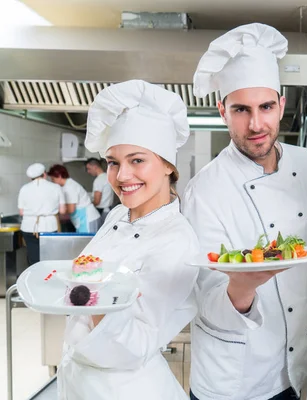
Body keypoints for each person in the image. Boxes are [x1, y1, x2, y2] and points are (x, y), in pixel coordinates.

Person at [182, 23, 307, 400]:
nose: (256, 124)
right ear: (222, 110)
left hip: (300, 362)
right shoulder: (205, 189)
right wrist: (244, 286)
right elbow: (204, 300)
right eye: (241, 110)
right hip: (236, 377)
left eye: (266, 107)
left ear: (282, 105)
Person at [57, 79, 200, 399]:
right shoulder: (119, 215)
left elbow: (132, 345)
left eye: (137, 160)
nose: (122, 176)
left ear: (167, 165)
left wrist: (91, 290)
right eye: (113, 163)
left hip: (125, 388)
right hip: (81, 382)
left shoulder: (177, 240)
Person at [17, 163, 66, 265]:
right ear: (44, 174)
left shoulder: (24, 188)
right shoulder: (56, 187)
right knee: (49, 258)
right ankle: (47, 279)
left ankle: (33, 279)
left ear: (31, 178)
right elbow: (62, 211)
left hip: (29, 227)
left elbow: (21, 212)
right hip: (49, 226)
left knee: (33, 257)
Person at [47, 164, 101, 233]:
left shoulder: (70, 187)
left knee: (89, 242)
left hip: (88, 219)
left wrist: (56, 213)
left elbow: (71, 209)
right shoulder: (65, 186)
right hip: (83, 219)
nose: (52, 181)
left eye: (53, 179)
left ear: (59, 176)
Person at [85, 157, 114, 225]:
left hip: (101, 212)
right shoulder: (107, 176)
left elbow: (97, 201)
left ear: (95, 167)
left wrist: (87, 205)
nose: (88, 171)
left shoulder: (98, 180)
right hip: (109, 210)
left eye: (89, 169)